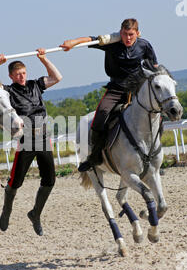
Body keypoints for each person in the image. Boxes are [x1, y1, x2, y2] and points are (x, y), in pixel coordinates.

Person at [60, 18, 158, 172]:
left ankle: (153, 157)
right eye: (125, 34)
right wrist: (72, 42)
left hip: (138, 88)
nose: (128, 38)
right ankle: (95, 156)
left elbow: (154, 67)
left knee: (157, 111)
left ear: (137, 33)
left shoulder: (144, 45)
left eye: (131, 34)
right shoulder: (111, 44)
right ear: (120, 33)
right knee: (101, 114)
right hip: (116, 88)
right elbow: (90, 40)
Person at [0, 48, 62, 236]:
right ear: (11, 76)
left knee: (50, 180)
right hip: (26, 139)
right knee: (15, 181)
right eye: (17, 75)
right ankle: (7, 209)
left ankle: (35, 214)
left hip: (43, 137)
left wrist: (44, 59)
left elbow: (57, 77)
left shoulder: (35, 85)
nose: (21, 77)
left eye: (23, 73)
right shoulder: (9, 91)